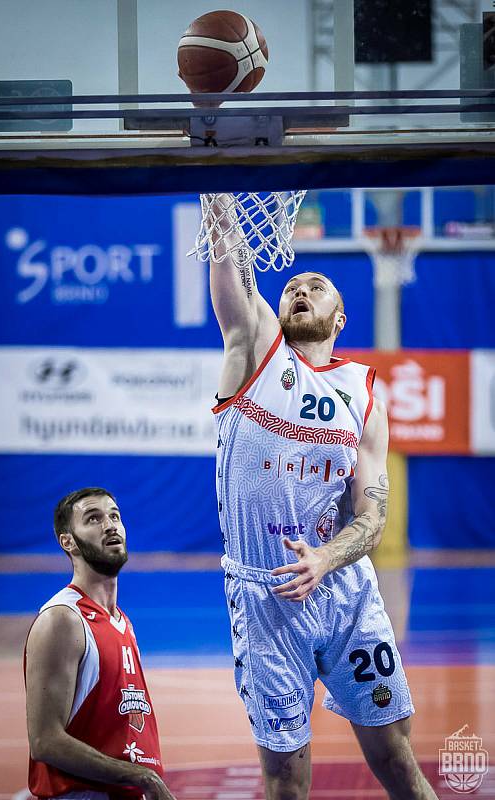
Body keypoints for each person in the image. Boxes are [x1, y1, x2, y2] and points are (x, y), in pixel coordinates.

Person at [208, 195, 438, 800]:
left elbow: (373, 517)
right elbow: (231, 271)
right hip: (267, 594)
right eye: (292, 287)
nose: (300, 290)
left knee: (396, 754)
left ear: (341, 319)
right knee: (286, 777)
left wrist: (326, 559)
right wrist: (216, 194)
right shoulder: (253, 347)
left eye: (317, 285)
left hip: (343, 589)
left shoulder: (364, 395)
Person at [24, 486, 176, 800]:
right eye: (93, 518)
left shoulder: (122, 621)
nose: (109, 525)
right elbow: (45, 741)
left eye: (114, 516)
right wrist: (143, 777)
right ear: (68, 542)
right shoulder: (63, 619)